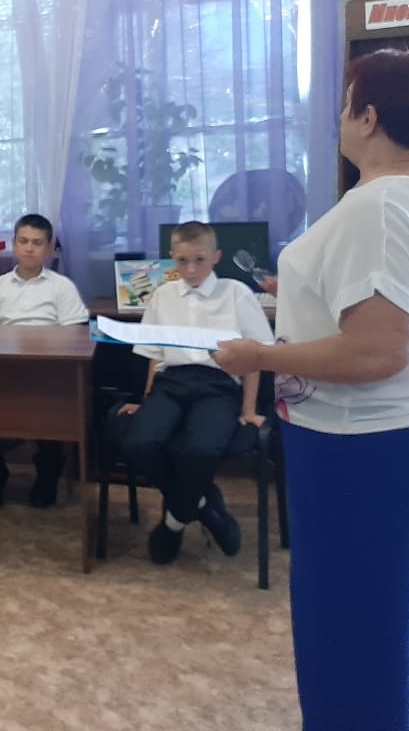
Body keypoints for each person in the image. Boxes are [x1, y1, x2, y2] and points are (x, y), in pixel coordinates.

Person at [214, 48, 409, 730]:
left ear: (369, 117)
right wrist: (301, 292)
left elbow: (378, 350)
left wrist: (259, 354)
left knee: (349, 627)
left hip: (357, 448)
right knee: (396, 616)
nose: (338, 120)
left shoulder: (377, 206)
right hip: (397, 438)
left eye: (344, 107)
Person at [119, 221, 273, 565]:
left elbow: (256, 356)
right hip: (172, 382)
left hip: (217, 385)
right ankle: (202, 502)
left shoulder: (236, 293)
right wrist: (144, 401)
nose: (190, 269)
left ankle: (173, 523)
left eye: (199, 260)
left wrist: (248, 409)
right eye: (182, 260)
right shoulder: (163, 295)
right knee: (138, 443)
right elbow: (154, 355)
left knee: (201, 449)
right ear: (171, 257)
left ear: (216, 257)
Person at [0, 213, 88, 509]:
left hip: (50, 372)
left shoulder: (62, 287)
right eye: (23, 241)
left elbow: (75, 337)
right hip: (2, 369)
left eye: (37, 243)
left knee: (53, 405)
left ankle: (47, 476)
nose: (29, 248)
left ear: (48, 248)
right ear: (14, 244)